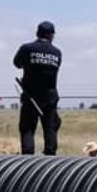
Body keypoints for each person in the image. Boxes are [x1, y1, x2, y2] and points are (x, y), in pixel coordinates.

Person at [14, 21, 62, 156]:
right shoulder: (57, 52)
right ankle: (50, 157)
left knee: (28, 128)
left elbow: (17, 63)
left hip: (31, 96)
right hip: (50, 97)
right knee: (50, 128)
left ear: (37, 33)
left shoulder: (26, 48)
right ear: (51, 35)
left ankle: (28, 158)